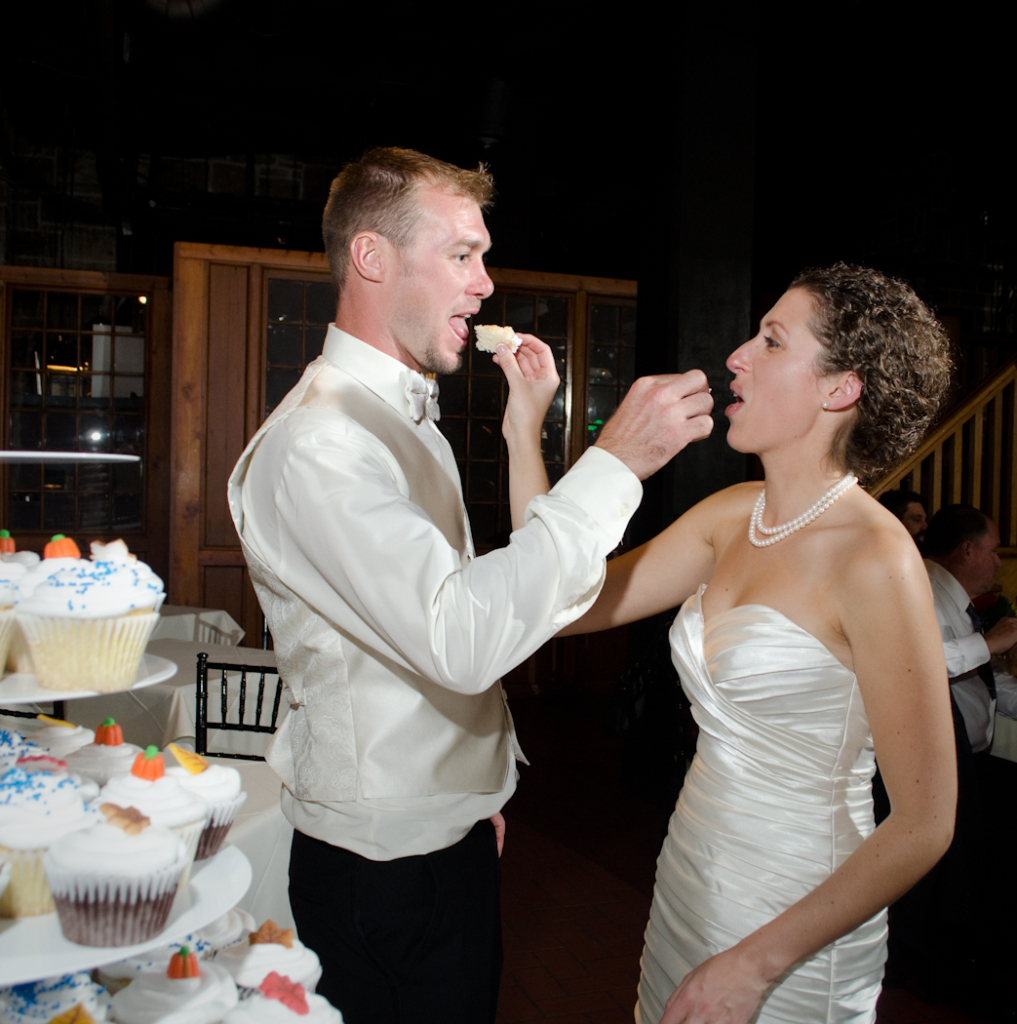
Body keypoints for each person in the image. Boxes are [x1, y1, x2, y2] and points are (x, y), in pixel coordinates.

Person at [227, 147, 714, 1023]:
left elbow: (475, 607)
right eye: (461, 255)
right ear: (372, 257)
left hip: (433, 839)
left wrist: (460, 803)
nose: (484, 283)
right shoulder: (321, 444)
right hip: (378, 869)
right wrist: (612, 463)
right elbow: (458, 640)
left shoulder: (399, 414)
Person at [561, 264, 957, 1024]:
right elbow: (560, 603)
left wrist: (755, 964)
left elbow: (924, 823)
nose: (736, 356)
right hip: (692, 871)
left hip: (796, 916)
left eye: (771, 341)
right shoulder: (731, 514)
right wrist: (527, 426)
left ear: (838, 389)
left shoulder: (875, 559)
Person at [923, 504, 1017, 751]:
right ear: (967, 550)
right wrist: (990, 642)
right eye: (993, 551)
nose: (998, 562)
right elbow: (916, 666)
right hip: (939, 755)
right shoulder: (921, 591)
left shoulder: (955, 597)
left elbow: (982, 679)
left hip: (970, 752)